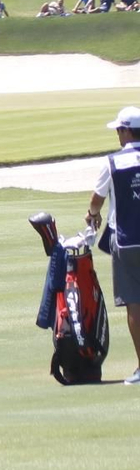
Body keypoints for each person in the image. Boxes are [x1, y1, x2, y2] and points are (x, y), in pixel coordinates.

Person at [87, 107, 140, 384]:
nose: (118, 136)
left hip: (128, 242)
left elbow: (97, 200)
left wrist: (93, 216)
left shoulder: (113, 162)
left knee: (135, 304)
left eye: (119, 130)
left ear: (126, 131)